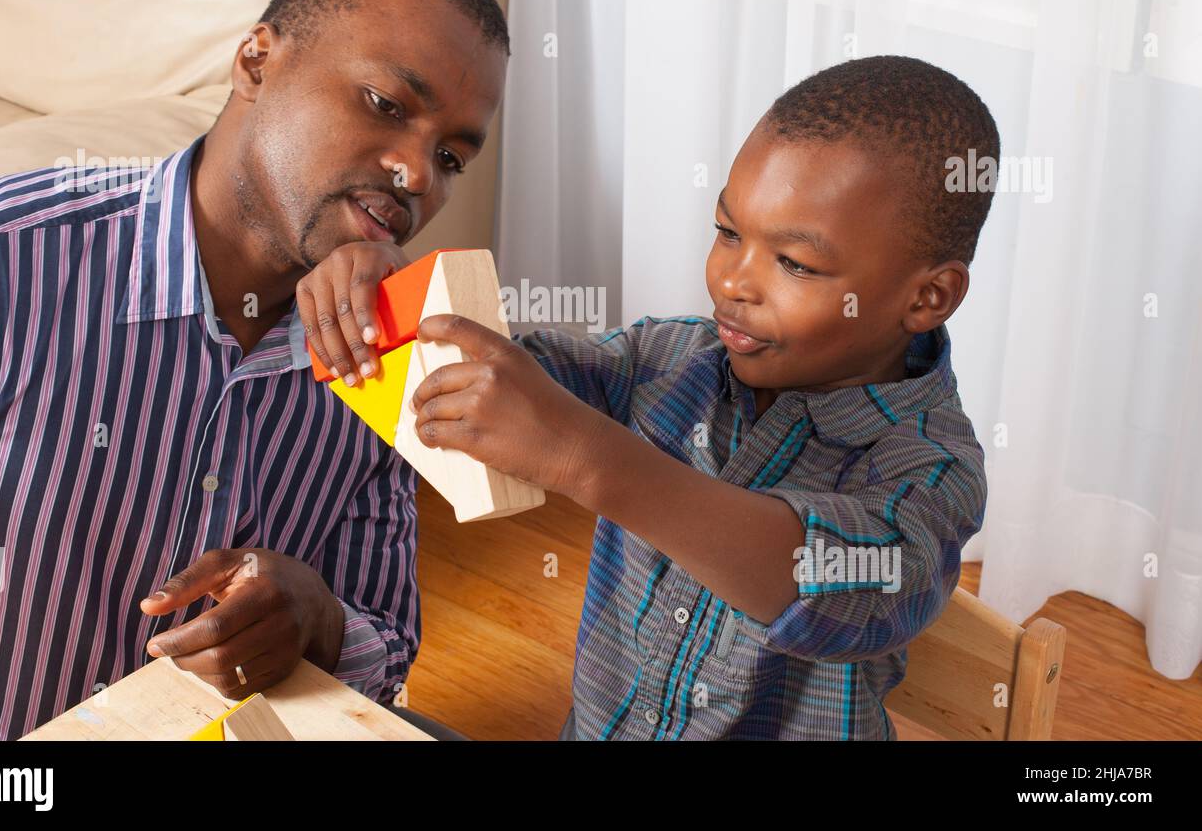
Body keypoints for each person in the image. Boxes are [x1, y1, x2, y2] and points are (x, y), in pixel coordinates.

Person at [0, 0, 508, 740]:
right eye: (386, 105)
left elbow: (384, 658)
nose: (417, 176)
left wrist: (318, 619)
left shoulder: (384, 350)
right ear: (256, 63)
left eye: (449, 156)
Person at [307, 55, 995, 739]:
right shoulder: (669, 359)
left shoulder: (930, 469)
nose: (733, 282)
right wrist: (385, 288)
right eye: (728, 232)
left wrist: (587, 457)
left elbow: (814, 579)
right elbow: (503, 371)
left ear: (927, 297)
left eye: (795, 263)